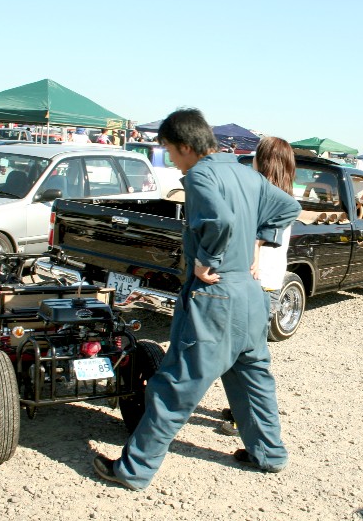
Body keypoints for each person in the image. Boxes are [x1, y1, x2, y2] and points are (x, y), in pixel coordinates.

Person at [92, 108, 301, 490]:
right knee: (253, 380)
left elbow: (220, 221)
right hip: (250, 295)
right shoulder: (244, 172)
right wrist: (259, 242)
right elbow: (290, 207)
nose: (171, 159)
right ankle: (269, 455)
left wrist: (208, 258)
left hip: (215, 298)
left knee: (175, 385)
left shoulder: (201, 176)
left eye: (170, 151)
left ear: (186, 146)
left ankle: (134, 471)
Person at [219, 136, 297, 437]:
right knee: (247, 354)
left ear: (263, 161)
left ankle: (246, 418)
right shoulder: (284, 195)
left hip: (255, 283)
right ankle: (241, 409)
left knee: (246, 358)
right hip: (268, 282)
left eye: (255, 156)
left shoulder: (262, 197)